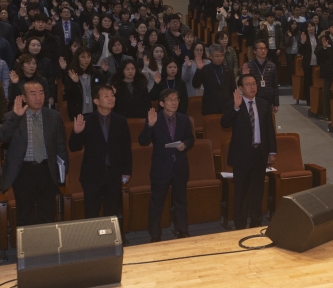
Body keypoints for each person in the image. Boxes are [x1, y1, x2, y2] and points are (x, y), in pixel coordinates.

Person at [0, 77, 69, 226]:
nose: (38, 97)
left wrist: (63, 171)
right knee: (25, 214)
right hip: (23, 171)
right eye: (33, 94)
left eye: (41, 93)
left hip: (47, 169)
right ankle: (27, 249)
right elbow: (1, 137)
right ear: (23, 97)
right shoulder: (13, 116)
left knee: (47, 213)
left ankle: (46, 248)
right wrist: (16, 117)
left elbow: (61, 145)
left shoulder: (53, 116)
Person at [68, 84, 132, 229]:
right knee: (91, 212)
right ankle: (93, 244)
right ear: (96, 101)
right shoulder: (87, 120)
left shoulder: (120, 120)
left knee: (112, 211)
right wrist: (77, 132)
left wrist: (127, 171)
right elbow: (74, 147)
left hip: (114, 173)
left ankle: (113, 240)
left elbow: (126, 148)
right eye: (106, 96)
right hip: (92, 175)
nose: (111, 99)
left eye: (112, 95)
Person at [221, 74, 277, 230]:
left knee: (257, 189)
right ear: (240, 88)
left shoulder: (264, 104)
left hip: (260, 153)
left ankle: (256, 221)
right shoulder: (234, 104)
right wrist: (236, 107)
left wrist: (272, 151)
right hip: (241, 155)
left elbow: (269, 130)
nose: (252, 87)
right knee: (241, 191)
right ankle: (239, 223)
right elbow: (224, 123)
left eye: (254, 84)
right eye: (247, 84)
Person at [138, 89, 195, 242]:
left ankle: (183, 230)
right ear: (162, 103)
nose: (174, 102)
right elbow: (142, 141)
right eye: (170, 100)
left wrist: (185, 144)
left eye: (176, 99)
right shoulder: (154, 119)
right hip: (161, 167)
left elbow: (191, 138)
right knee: (157, 203)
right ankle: (155, 235)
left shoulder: (184, 119)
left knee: (181, 201)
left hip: (180, 166)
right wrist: (150, 125)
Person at [192, 44, 235, 117]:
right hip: (210, 107)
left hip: (226, 107)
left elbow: (233, 90)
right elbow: (195, 84)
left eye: (221, 55)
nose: (220, 58)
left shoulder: (229, 70)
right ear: (211, 56)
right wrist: (199, 69)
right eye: (216, 56)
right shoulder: (205, 69)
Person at [243, 40, 279, 113]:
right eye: (260, 48)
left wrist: (276, 103)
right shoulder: (248, 66)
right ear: (255, 51)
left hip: (268, 100)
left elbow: (275, 86)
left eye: (265, 48)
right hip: (254, 99)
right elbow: (242, 85)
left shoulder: (272, 66)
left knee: (268, 123)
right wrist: (243, 76)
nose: (263, 51)